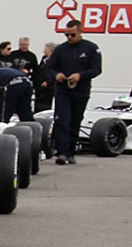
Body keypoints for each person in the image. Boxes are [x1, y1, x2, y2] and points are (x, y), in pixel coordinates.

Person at [42, 20, 101, 163]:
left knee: (76, 120)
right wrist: (56, 75)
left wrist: (81, 75)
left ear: (80, 32)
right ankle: (62, 152)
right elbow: (49, 68)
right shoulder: (60, 50)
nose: (69, 38)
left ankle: (71, 152)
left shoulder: (91, 48)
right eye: (66, 35)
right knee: (62, 120)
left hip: (81, 90)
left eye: (72, 35)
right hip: (63, 90)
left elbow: (97, 69)